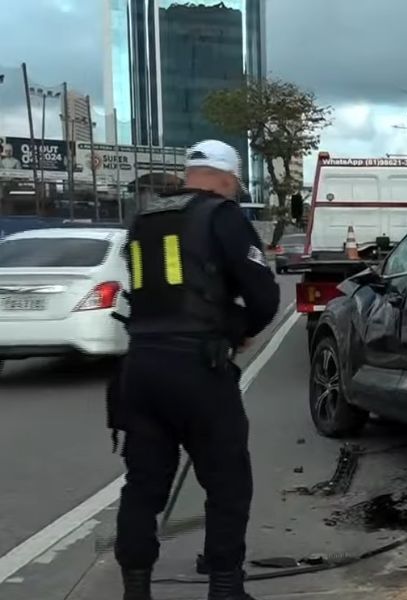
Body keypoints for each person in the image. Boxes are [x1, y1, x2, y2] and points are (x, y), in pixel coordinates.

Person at [113, 140, 279, 600]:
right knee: (227, 481)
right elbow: (264, 297)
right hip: (197, 367)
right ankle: (225, 588)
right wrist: (239, 328)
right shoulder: (223, 216)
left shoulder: (144, 218)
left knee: (143, 484)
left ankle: (135, 588)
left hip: (141, 367)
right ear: (228, 177)